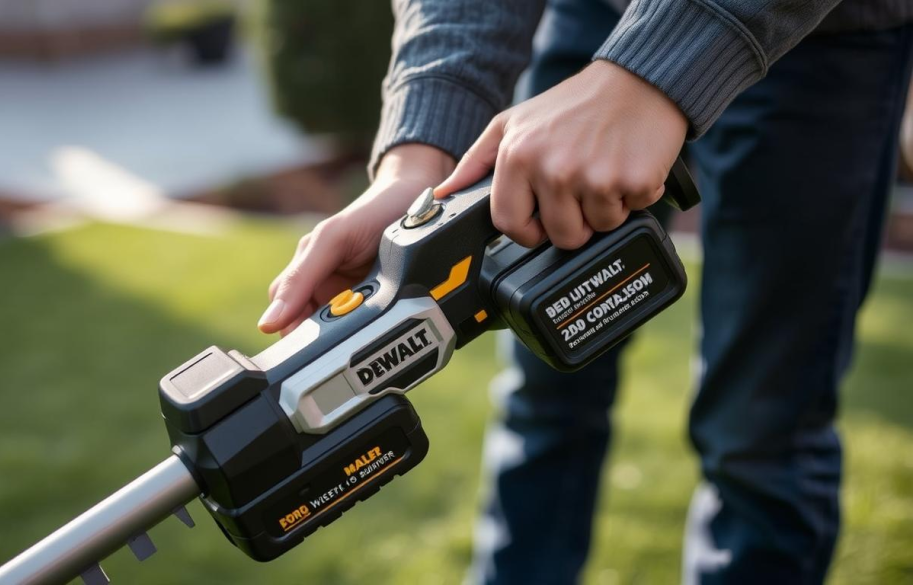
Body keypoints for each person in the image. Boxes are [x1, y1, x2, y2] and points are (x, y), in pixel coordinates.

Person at [258, 0, 913, 582]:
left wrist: (653, 69)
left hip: (815, 34)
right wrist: (420, 159)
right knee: (544, 394)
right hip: (592, 20)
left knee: (759, 433)